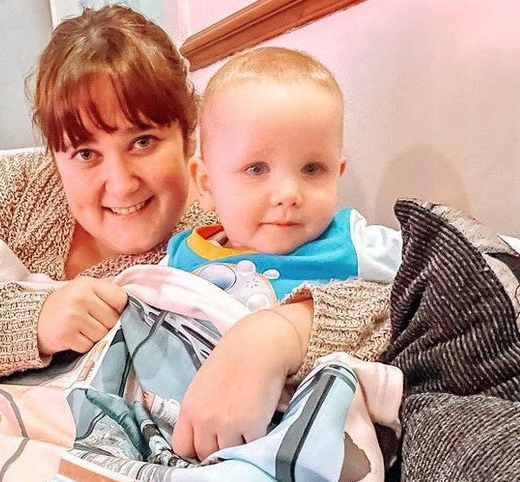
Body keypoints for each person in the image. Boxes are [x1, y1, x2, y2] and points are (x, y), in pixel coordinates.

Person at [0, 4, 394, 463]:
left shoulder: (229, 223)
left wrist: (283, 330)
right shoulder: (15, 188)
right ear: (55, 155)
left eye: (143, 141)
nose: (121, 182)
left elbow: (389, 298)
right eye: (85, 153)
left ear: (190, 139)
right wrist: (33, 318)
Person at [166, 46, 401, 310]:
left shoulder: (353, 244)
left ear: (337, 174)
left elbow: (436, 259)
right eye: (256, 169)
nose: (288, 194)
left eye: (311, 169)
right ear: (207, 185)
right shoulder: (182, 255)